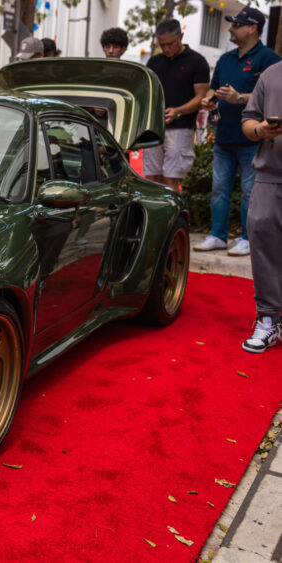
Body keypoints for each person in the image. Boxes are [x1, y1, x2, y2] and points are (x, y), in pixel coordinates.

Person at [195, 8, 280, 256]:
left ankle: (247, 238)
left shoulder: (269, 59)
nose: (231, 29)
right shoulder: (225, 59)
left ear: (252, 28)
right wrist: (209, 100)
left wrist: (239, 97)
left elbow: (272, 97)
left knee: (250, 192)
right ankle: (217, 236)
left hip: (254, 138)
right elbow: (214, 90)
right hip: (224, 136)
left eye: (236, 25)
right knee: (219, 189)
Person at [240, 60, 282, 353]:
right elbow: (248, 121)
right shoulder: (271, 74)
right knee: (263, 242)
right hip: (271, 174)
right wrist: (260, 129)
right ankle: (268, 318)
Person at [143, 18, 209, 191]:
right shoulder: (154, 62)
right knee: (151, 179)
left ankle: (172, 217)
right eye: (162, 44)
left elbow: (201, 98)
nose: (166, 49)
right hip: (154, 128)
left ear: (181, 36)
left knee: (171, 180)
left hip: (181, 127)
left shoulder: (197, 61)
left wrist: (178, 111)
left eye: (170, 44)